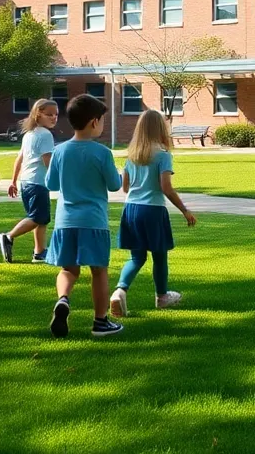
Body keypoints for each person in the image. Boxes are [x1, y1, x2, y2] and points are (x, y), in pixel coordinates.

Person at [44, 94, 124, 338]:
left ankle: (64, 299)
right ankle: (100, 322)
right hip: (93, 221)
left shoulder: (60, 151)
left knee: (68, 269)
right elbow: (113, 185)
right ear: (93, 122)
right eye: (101, 120)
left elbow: (51, 183)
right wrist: (119, 174)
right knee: (98, 270)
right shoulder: (102, 153)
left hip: (65, 221)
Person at [110, 109, 197, 318]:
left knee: (136, 257)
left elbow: (125, 188)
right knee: (159, 256)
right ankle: (161, 296)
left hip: (131, 209)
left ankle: (120, 291)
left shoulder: (133, 155)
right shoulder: (163, 155)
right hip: (153, 210)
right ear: (161, 129)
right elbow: (166, 187)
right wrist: (185, 210)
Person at [0, 99, 58, 264]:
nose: (54, 118)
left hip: (27, 181)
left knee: (41, 218)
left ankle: (39, 253)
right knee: (38, 217)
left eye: (56, 115)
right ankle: (8, 236)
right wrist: (59, 179)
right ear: (38, 114)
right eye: (49, 114)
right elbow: (48, 162)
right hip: (37, 182)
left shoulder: (30, 134)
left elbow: (20, 158)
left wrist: (14, 181)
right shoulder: (45, 135)